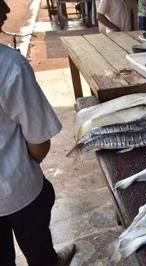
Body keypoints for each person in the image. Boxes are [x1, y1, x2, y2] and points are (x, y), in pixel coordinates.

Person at [0, 1, 76, 265]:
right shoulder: (10, 65)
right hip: (19, 189)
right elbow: (38, 142)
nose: (7, 11)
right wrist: (24, 167)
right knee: (40, 251)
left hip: (16, 189)